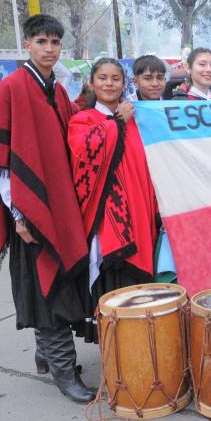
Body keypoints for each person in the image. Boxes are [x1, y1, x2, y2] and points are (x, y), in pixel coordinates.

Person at [0, 14, 100, 404]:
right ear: (27, 44)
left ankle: (46, 355)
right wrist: (17, 214)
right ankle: (64, 372)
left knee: (57, 281)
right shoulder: (11, 88)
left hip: (60, 205)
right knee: (50, 290)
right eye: (42, 41)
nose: (50, 49)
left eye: (55, 43)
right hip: (30, 211)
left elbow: (70, 130)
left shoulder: (56, 90)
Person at [68, 58, 159, 340]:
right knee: (114, 292)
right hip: (108, 221)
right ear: (92, 83)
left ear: (124, 83)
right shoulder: (82, 119)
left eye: (116, 79)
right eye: (103, 78)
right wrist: (118, 121)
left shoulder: (136, 119)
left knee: (141, 294)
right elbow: (87, 149)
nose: (109, 84)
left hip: (141, 212)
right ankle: (115, 363)